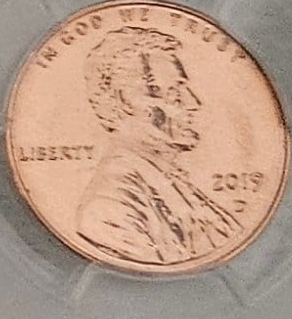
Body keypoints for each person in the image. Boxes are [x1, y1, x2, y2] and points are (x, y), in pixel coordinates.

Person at [72, 24, 238, 266]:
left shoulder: (172, 184)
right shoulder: (111, 209)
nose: (193, 103)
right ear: (126, 101)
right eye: (174, 94)